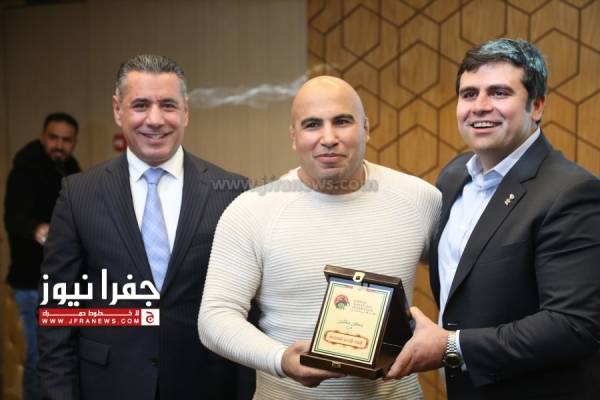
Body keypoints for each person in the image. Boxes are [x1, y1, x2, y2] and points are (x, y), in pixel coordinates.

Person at [198, 76, 441, 399]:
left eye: (342, 121)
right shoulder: (251, 211)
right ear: (294, 137)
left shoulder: (420, 200)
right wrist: (280, 359)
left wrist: (445, 341)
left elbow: (466, 286)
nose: (328, 138)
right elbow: (215, 316)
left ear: (366, 128)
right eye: (312, 125)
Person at [386, 38, 600, 399]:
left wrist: (452, 346)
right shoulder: (454, 176)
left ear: (537, 106)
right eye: (469, 94)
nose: (480, 106)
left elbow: (574, 325)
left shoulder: (572, 192)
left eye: (499, 93)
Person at [37, 54, 252, 400]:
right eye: (140, 105)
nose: (155, 119)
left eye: (168, 105)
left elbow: (246, 310)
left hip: (204, 384)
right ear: (118, 110)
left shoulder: (230, 192)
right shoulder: (78, 195)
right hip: (108, 384)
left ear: (185, 111)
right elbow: (57, 311)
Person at [5, 112, 80, 400]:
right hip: (29, 283)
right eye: (53, 138)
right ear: (42, 136)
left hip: (64, 285)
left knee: (65, 359)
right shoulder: (25, 169)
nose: (59, 145)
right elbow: (13, 219)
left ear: (74, 142)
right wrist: (38, 230)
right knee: (37, 361)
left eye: (66, 140)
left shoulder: (72, 170)